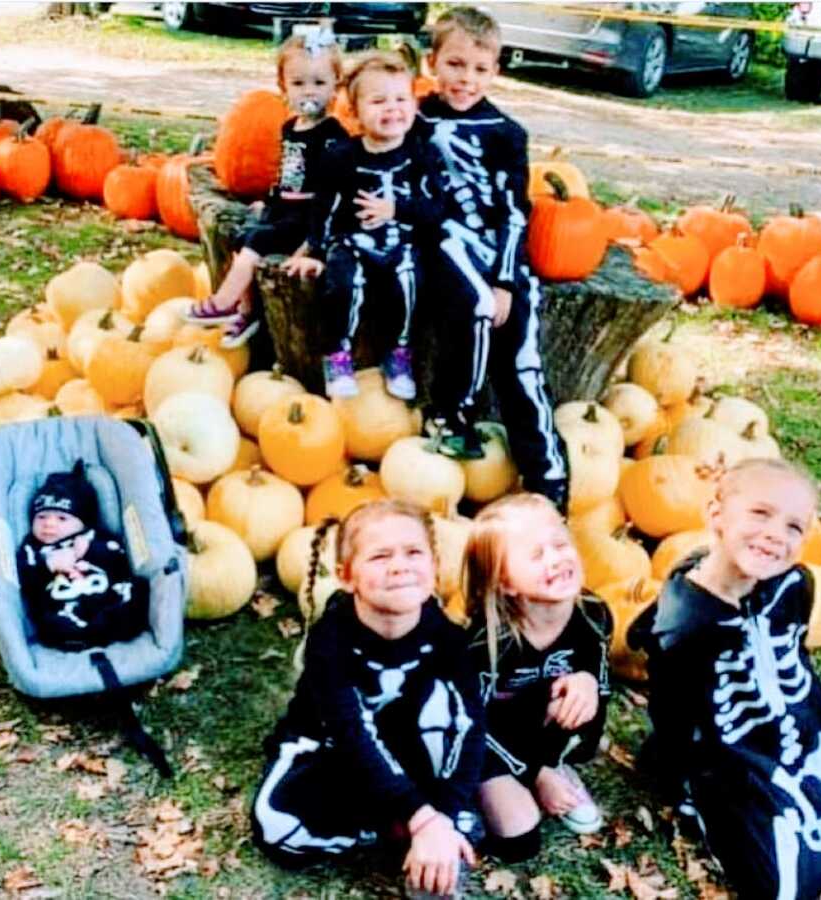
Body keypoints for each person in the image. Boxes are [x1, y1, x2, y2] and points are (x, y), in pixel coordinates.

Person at [642, 458, 821, 900]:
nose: (775, 535)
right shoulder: (682, 624)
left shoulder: (795, 585)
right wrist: (678, 778)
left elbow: (797, 662)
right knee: (779, 884)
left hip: (806, 734)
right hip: (735, 758)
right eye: (760, 513)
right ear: (715, 515)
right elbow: (671, 714)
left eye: (793, 527)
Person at [251, 500, 484, 898]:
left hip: (408, 747)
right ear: (346, 577)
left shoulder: (449, 638)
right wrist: (421, 817)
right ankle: (398, 829)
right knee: (276, 828)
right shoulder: (331, 640)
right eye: (380, 556)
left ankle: (426, 830)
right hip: (334, 750)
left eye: (413, 552)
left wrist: (441, 814)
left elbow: (470, 726)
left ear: (434, 566)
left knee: (456, 791)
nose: (399, 565)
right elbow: (350, 732)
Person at [415, 7, 568, 508]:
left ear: (496, 71)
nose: (466, 79)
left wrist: (506, 279)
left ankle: (548, 480)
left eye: (480, 69)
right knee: (475, 307)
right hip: (441, 240)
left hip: (498, 254)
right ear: (432, 62)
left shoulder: (506, 133)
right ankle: (450, 414)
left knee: (523, 360)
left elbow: (513, 213)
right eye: (455, 65)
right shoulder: (414, 118)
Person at [282, 51, 441, 402]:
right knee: (343, 282)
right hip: (353, 242)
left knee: (409, 280)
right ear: (354, 112)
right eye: (378, 101)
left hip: (401, 243)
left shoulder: (421, 156)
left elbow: (436, 208)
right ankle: (337, 354)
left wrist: (396, 208)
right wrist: (315, 249)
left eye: (401, 99)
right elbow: (325, 208)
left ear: (414, 104)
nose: (392, 109)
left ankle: (400, 352)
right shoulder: (342, 157)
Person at [464, 493, 611, 862]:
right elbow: (469, 725)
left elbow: (601, 680)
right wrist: (532, 774)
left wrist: (588, 682)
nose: (557, 559)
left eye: (560, 544)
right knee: (519, 843)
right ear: (506, 582)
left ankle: (554, 762)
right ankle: (472, 800)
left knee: (573, 692)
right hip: (488, 740)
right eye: (536, 555)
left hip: (542, 726)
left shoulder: (594, 614)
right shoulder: (486, 644)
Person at [184, 31, 347, 348]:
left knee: (257, 242)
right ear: (283, 86)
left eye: (319, 83)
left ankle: (223, 302)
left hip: (308, 218)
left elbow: (332, 194)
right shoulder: (290, 128)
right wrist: (268, 203)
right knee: (241, 237)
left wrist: (311, 245)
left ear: (335, 87)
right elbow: (288, 175)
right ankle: (247, 313)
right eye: (299, 84)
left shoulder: (333, 136)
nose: (309, 91)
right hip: (284, 209)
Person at [17, 461, 148, 650]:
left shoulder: (95, 537)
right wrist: (47, 565)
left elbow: (120, 561)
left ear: (83, 522)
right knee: (50, 617)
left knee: (137, 588)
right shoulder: (32, 548)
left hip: (105, 592)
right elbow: (23, 578)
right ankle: (78, 636)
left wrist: (92, 550)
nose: (49, 524)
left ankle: (113, 624)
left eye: (62, 518)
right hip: (63, 602)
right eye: (41, 517)